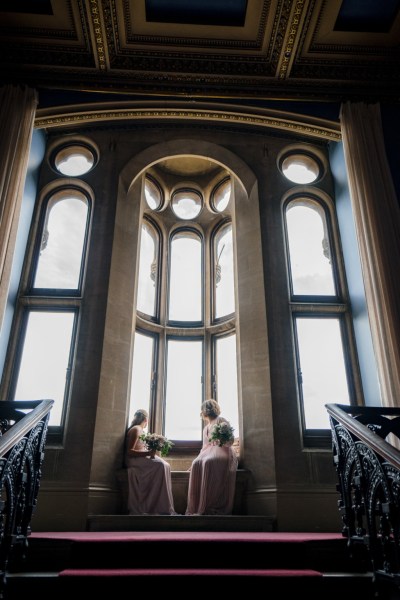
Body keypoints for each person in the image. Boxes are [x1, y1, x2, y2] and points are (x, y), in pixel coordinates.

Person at [186, 399, 238, 515]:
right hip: (208, 451)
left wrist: (221, 439)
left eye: (209, 407)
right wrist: (194, 462)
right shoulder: (206, 428)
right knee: (196, 463)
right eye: (205, 408)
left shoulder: (221, 420)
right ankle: (197, 506)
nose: (207, 410)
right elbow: (205, 447)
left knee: (208, 462)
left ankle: (211, 504)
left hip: (222, 450)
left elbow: (230, 441)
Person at [125, 409, 176, 515]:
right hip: (134, 460)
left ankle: (162, 504)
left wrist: (150, 452)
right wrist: (148, 453)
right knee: (161, 465)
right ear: (146, 419)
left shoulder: (140, 430)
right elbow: (129, 451)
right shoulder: (136, 429)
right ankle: (156, 505)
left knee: (166, 465)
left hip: (140, 458)